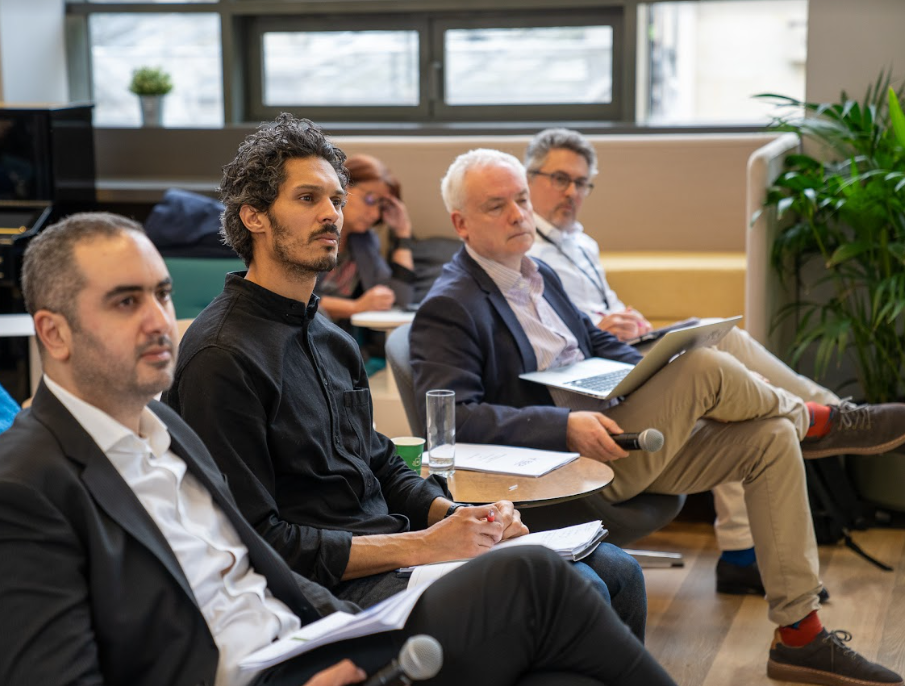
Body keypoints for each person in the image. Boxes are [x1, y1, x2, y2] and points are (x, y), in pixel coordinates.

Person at [0, 210, 678, 686]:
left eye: (162, 294)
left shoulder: (163, 425)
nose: (159, 321)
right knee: (537, 581)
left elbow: (263, 564)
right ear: (53, 333)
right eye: (124, 301)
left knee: (567, 667)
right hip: (273, 676)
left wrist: (349, 624)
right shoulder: (23, 490)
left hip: (319, 643)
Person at [409, 148, 905, 686]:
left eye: (522, 200)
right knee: (705, 368)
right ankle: (825, 423)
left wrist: (655, 359)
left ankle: (801, 636)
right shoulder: (450, 304)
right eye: (496, 206)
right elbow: (453, 417)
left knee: (769, 434)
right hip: (569, 465)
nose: (517, 214)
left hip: (626, 434)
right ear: (460, 222)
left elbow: (593, 343)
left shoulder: (538, 273)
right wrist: (563, 426)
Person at [165, 113, 649, 641]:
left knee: (620, 572)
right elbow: (260, 542)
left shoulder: (328, 336)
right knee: (577, 591)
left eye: (336, 199)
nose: (332, 215)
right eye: (308, 199)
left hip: (396, 549)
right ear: (254, 217)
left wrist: (461, 515)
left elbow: (381, 463)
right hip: (333, 586)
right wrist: (428, 545)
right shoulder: (221, 356)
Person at [522, 127, 904, 599]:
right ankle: (835, 419)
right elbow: (561, 339)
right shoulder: (529, 255)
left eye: (582, 183)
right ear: (529, 176)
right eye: (560, 179)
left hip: (617, 359)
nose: (571, 192)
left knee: (726, 352)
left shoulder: (579, 242)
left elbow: (597, 318)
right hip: (593, 389)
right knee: (717, 359)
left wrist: (627, 321)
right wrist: (607, 324)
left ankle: (747, 547)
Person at [315, 154, 416, 322]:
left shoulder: (365, 241)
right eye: (370, 199)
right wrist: (355, 307)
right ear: (342, 187)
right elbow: (294, 298)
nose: (375, 213)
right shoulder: (313, 230)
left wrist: (403, 234)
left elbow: (400, 299)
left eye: (381, 206)